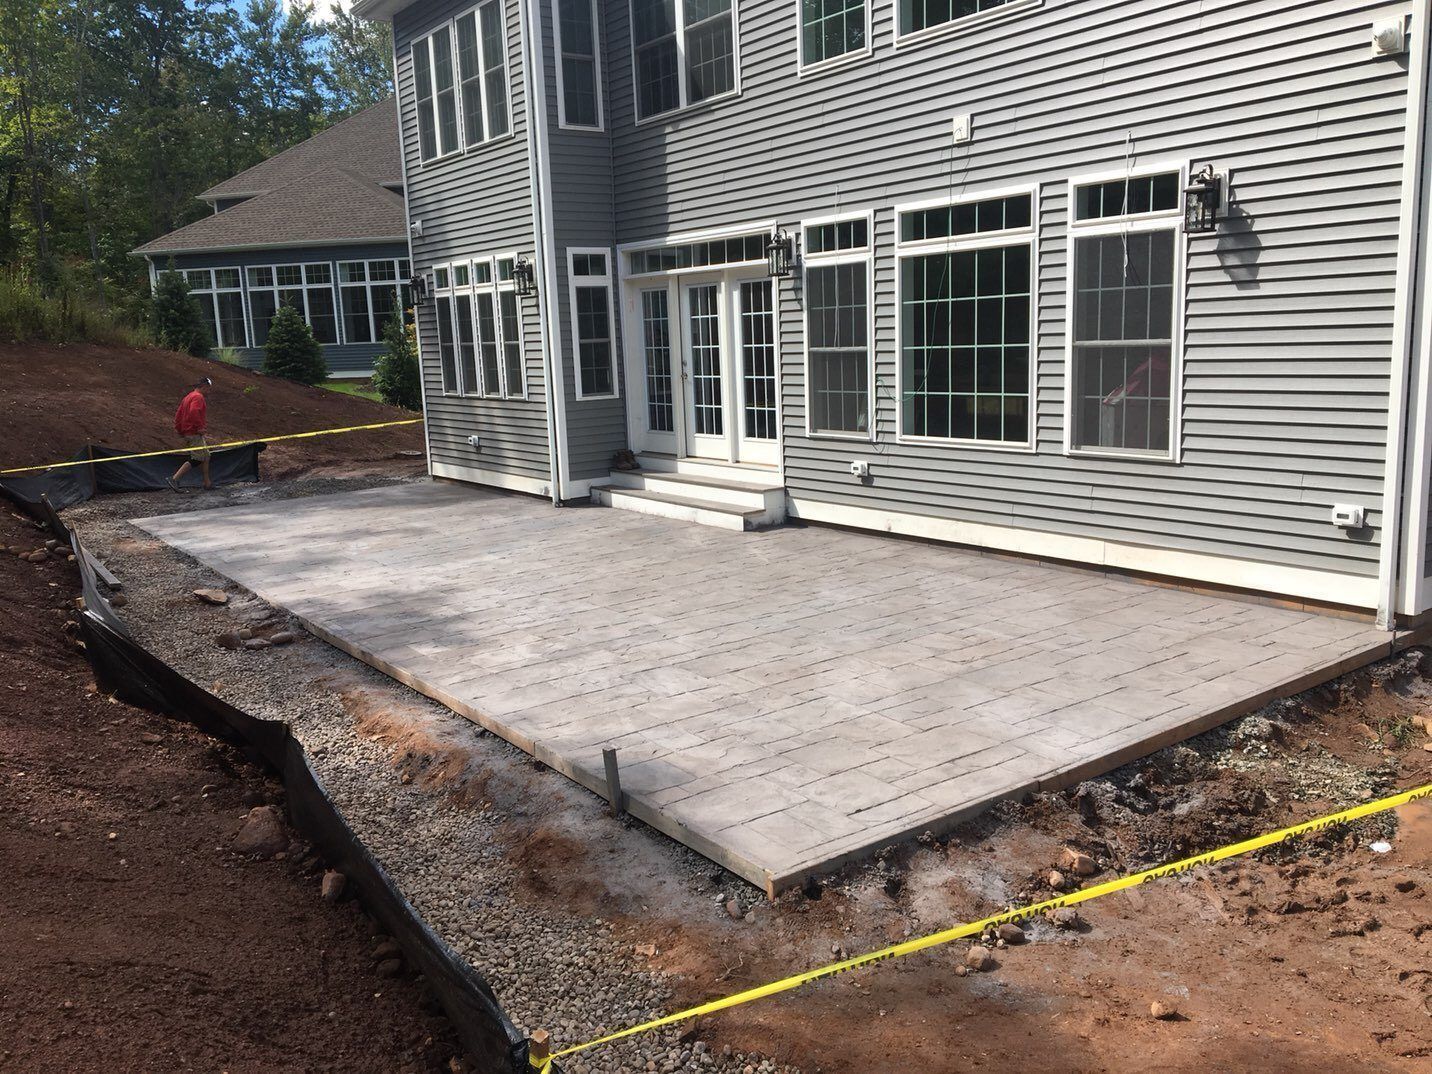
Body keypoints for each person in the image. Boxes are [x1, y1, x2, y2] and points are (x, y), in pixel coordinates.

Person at [168, 377, 213, 492]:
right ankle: (174, 479)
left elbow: (178, 414)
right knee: (197, 458)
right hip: (194, 433)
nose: (209, 392)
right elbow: (194, 412)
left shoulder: (188, 397)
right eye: (209, 389)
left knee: (206, 455)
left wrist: (179, 430)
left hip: (188, 432)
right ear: (204, 386)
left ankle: (207, 483)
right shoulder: (198, 397)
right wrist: (199, 428)